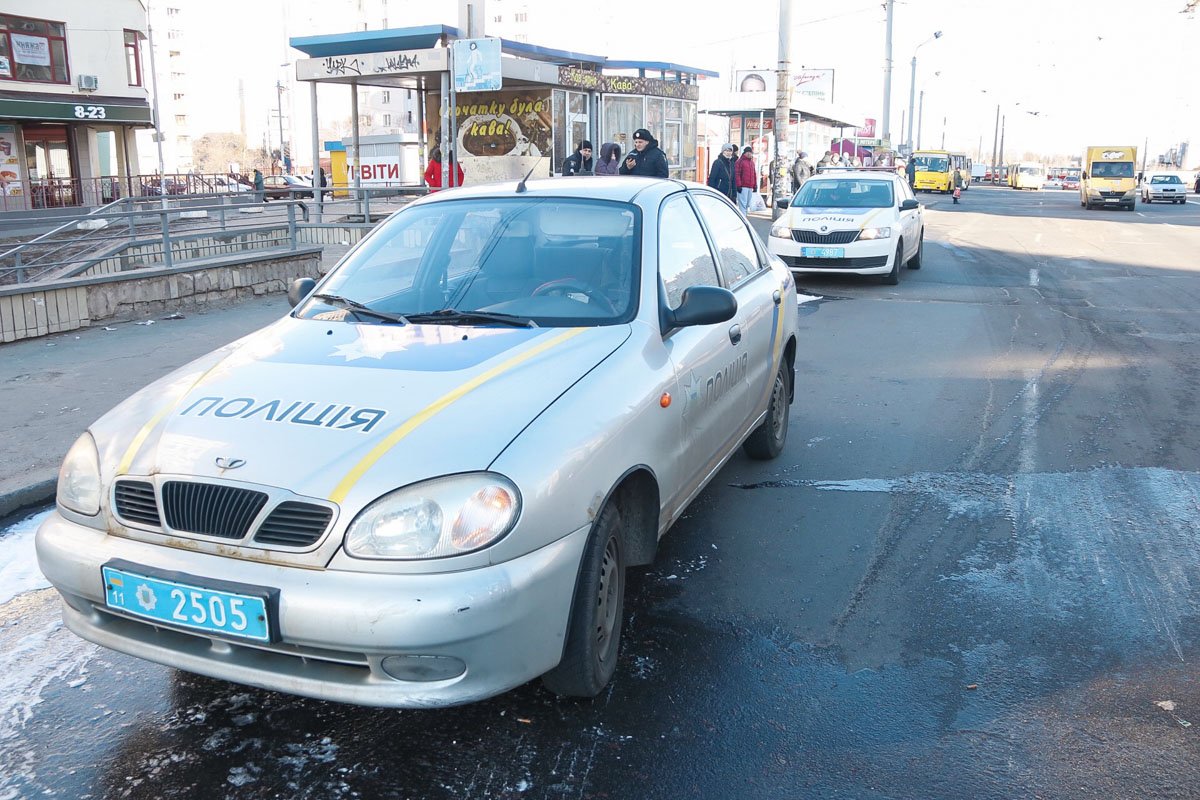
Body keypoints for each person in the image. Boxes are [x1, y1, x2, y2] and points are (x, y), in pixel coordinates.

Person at [735, 146, 757, 213]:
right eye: (747, 152)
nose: (749, 154)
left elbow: (754, 174)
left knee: (747, 204)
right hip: (743, 186)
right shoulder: (740, 162)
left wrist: (755, 185)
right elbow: (737, 174)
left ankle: (744, 218)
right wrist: (738, 185)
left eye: (750, 152)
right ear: (744, 153)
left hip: (750, 186)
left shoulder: (752, 163)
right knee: (743, 204)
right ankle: (743, 219)